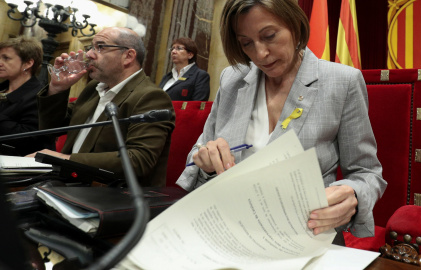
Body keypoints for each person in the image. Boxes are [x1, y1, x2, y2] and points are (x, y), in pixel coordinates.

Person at [176, 0, 387, 241]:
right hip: (230, 228)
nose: (260, 54)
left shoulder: (342, 82)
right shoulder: (232, 79)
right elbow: (199, 151)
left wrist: (354, 195)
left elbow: (367, 173)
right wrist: (206, 160)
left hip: (305, 234)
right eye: (246, 43)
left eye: (269, 36)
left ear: (294, 24)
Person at [31, 27, 175, 187]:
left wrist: (64, 159)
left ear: (128, 56)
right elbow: (51, 128)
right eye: (91, 47)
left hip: (113, 194)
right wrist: (57, 89)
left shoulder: (150, 97)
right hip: (67, 182)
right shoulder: (93, 89)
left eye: (100, 47)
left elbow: (138, 160)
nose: (89, 54)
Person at [0, 37, 54, 156]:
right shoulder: (3, 88)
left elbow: (28, 137)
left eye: (6, 58)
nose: (0, 62)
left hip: (21, 163)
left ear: (28, 63)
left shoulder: (40, 95)